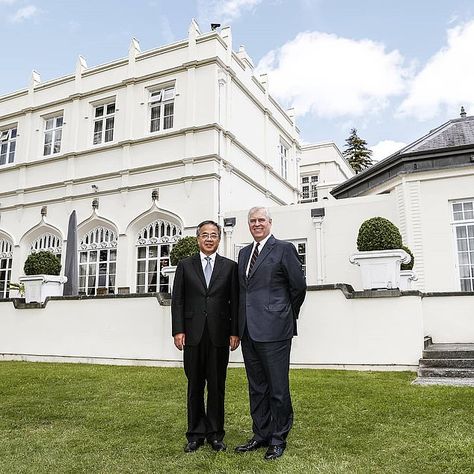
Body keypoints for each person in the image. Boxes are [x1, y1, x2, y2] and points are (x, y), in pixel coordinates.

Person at [234, 206, 306, 460]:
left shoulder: (284, 249)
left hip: (275, 330)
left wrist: (284, 313)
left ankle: (278, 438)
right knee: (257, 387)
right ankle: (260, 434)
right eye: (252, 221)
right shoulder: (243, 253)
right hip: (248, 331)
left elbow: (298, 288)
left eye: (261, 220)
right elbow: (242, 292)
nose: (256, 224)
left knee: (277, 387)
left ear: (270, 223)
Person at [171, 220, 240, 453]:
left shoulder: (230, 267)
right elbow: (178, 300)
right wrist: (178, 330)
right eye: (204, 235)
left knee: (217, 386)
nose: (209, 239)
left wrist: (235, 332)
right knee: (195, 385)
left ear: (219, 239)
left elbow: (235, 302)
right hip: (192, 335)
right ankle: (195, 434)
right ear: (197, 239)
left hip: (220, 335)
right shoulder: (184, 265)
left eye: (213, 235)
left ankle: (215, 434)